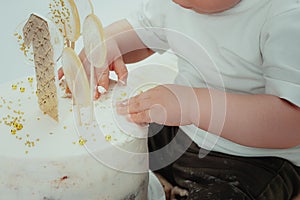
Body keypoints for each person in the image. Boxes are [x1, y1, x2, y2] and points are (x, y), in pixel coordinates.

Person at [59, 0, 300, 199]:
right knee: (117, 138)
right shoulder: (181, 3)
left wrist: (192, 105)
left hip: (254, 159)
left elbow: (292, 123)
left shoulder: (284, 16)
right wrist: (109, 44)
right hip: (182, 129)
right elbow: (144, 32)